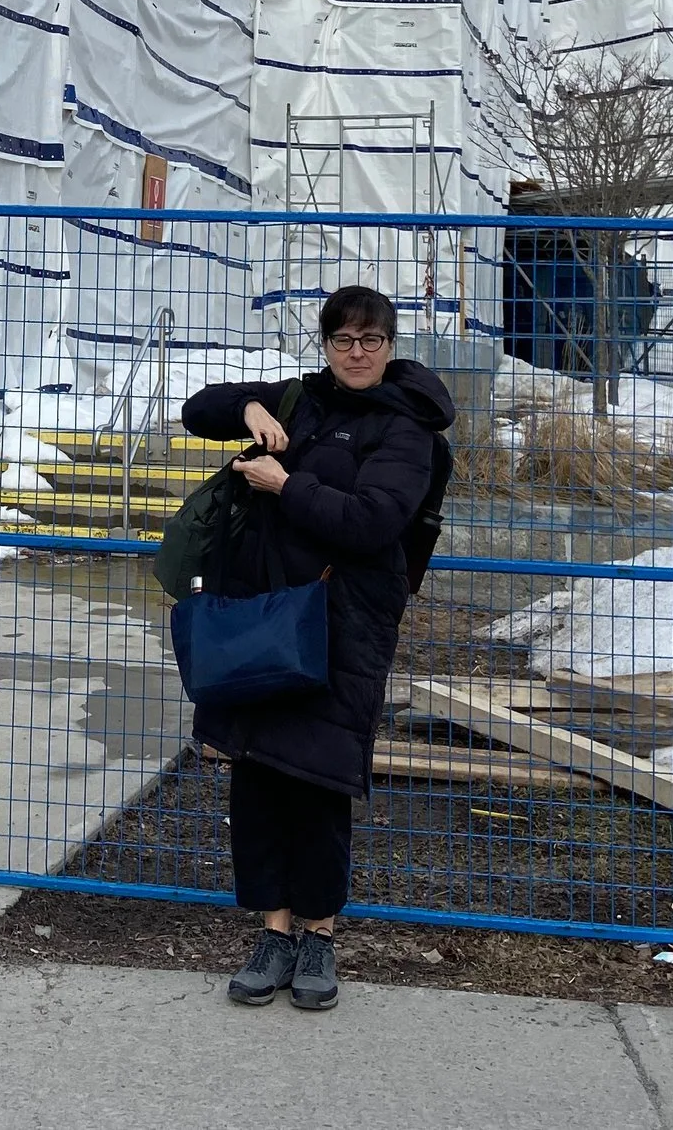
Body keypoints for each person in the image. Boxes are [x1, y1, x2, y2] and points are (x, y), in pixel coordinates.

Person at [179, 285, 453, 1012]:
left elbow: (371, 522)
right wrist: (247, 408)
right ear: (325, 344)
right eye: (342, 340)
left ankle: (320, 936)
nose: (356, 353)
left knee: (320, 777)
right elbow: (197, 406)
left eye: (370, 340)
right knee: (260, 775)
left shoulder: (407, 428)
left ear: (390, 345)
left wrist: (286, 482)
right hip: (265, 615)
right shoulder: (301, 399)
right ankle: (272, 931)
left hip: (343, 623)